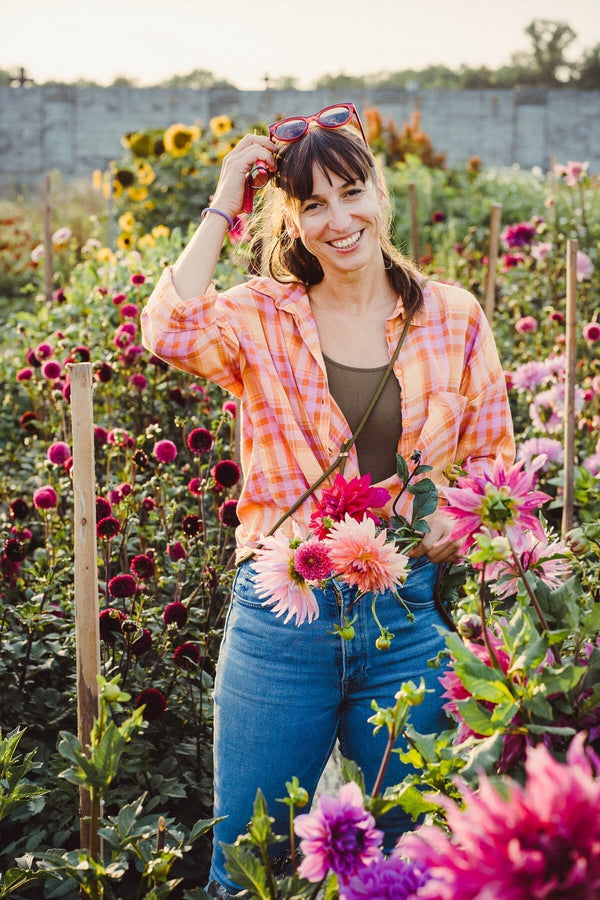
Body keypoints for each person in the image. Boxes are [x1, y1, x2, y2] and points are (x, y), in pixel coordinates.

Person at [141, 102, 515, 898]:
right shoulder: (257, 315)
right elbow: (168, 330)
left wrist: (453, 522)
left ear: (379, 189)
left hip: (404, 622)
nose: (339, 220)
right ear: (291, 217)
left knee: (419, 859)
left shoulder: (451, 317)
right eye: (313, 204)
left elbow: (491, 458)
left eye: (351, 192)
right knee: (250, 862)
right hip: (284, 619)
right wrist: (220, 202)